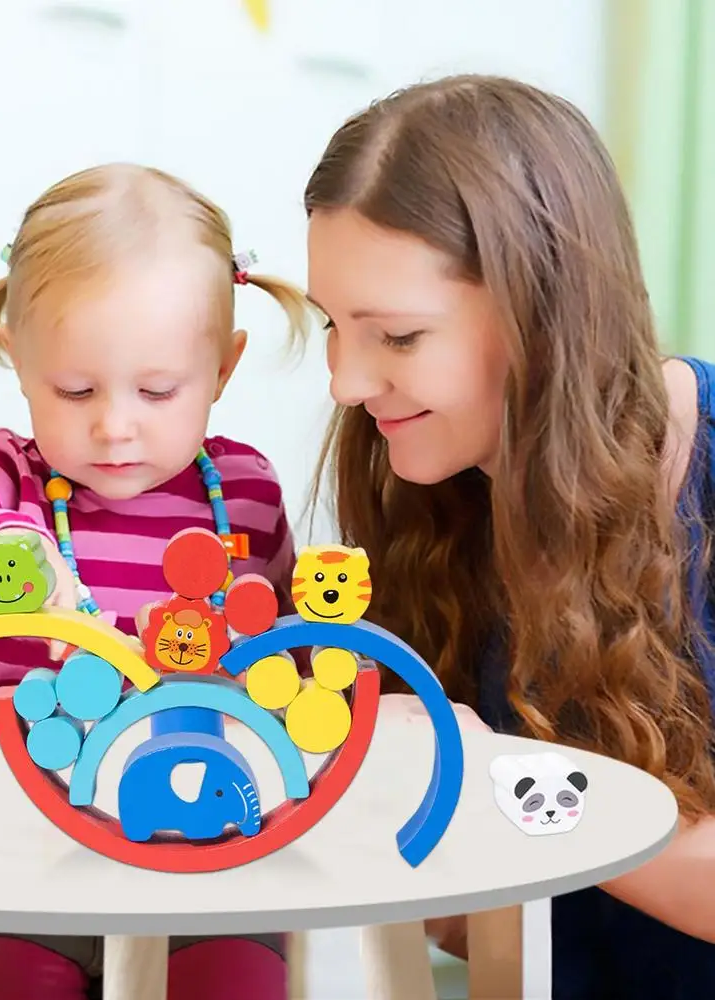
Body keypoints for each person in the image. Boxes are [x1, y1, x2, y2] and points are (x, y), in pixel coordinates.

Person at [0, 163, 311, 1000]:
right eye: (75, 389)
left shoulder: (245, 493)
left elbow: (288, 667)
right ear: (16, 356)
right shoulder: (7, 481)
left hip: (208, 860)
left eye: (158, 390)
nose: (114, 424)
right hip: (13, 864)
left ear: (224, 368)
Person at [301, 74, 715, 999]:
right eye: (335, 325)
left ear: (544, 313)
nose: (346, 383)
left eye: (398, 337)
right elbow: (480, 925)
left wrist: (491, 777)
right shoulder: (428, 497)